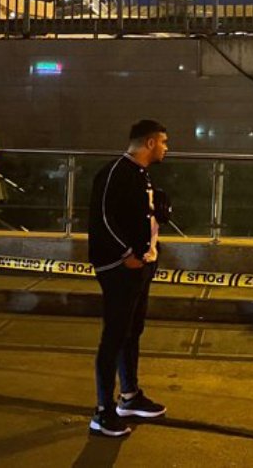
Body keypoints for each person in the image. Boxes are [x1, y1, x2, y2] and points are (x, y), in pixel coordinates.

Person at [87, 120, 171, 437]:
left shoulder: (140, 174)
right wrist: (126, 255)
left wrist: (157, 214)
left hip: (141, 264)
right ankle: (102, 411)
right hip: (119, 268)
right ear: (149, 143)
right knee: (114, 335)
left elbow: (135, 214)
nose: (166, 148)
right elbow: (103, 218)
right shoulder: (115, 172)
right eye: (163, 142)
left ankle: (130, 395)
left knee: (132, 331)